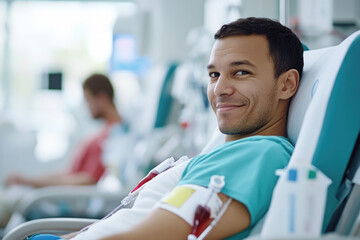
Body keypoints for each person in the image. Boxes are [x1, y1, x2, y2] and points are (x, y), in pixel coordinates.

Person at [29, 17, 304, 240]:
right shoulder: (224, 153)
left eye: (241, 72)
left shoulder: (257, 155)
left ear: (287, 85)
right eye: (214, 75)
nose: (220, 89)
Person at [1, 74, 126, 226]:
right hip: (66, 196)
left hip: (72, 201)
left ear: (101, 98)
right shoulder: (106, 133)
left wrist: (30, 181)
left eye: (88, 100)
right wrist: (28, 180)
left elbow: (87, 180)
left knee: (13, 204)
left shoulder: (114, 136)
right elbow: (71, 174)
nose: (86, 107)